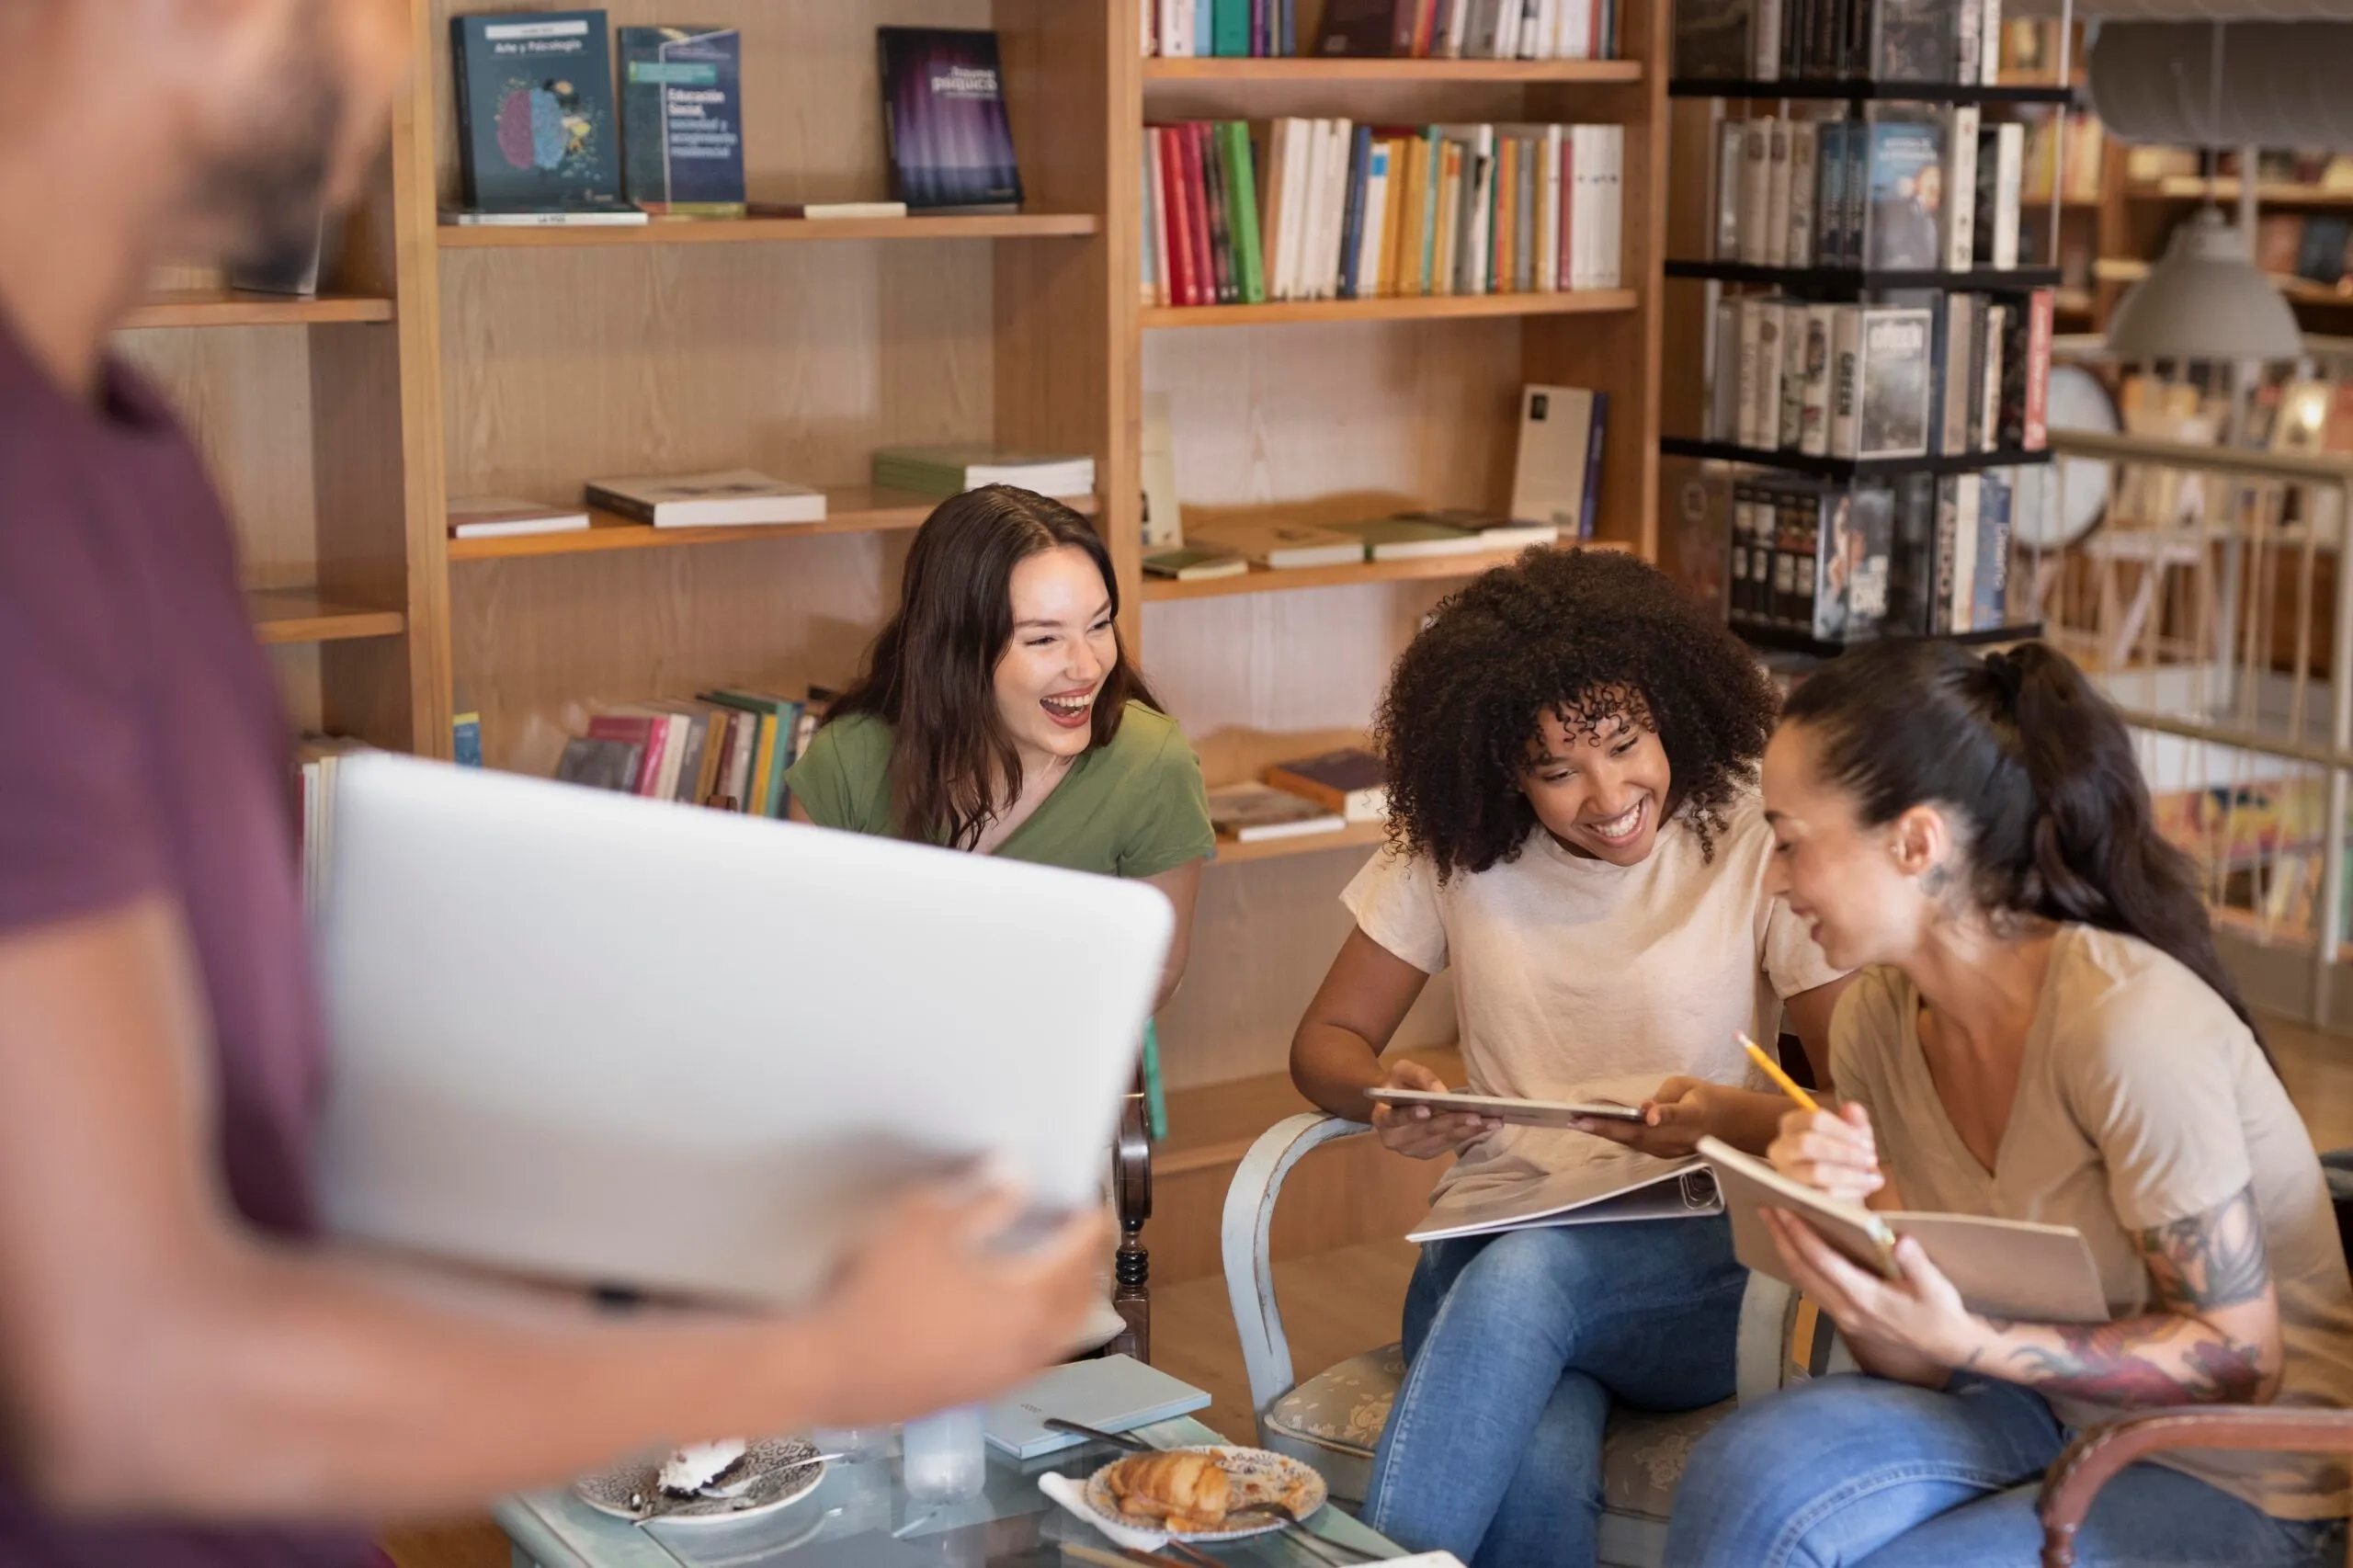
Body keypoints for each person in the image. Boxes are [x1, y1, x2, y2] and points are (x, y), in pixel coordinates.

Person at [0, 6, 1107, 1565]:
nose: (392, 61)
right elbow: (122, 1373)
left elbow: (232, 1130)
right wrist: (823, 1355)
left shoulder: (130, 456)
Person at [1668, 639, 2353, 1567]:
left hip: (2230, 1466)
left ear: (1914, 841)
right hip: (2039, 1405)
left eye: (1789, 842)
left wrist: (1968, 1336)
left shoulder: (2125, 1024)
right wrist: (1841, 1229)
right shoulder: (1877, 1014)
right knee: (1742, 1475)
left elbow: (2240, 1357)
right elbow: (1910, 1359)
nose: (1777, 881)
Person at [1288, 550, 1848, 1568]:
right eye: (1557, 770)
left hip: (1694, 1267)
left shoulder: (1751, 838)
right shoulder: (1456, 845)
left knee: (1527, 1278)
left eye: (1626, 743)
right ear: (1503, 768)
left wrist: (1725, 1113)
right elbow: (1323, 1043)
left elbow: (1866, 1084)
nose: (1607, 793)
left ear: (1668, 705)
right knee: (1537, 1451)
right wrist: (1387, 1094)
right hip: (1485, 1244)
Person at [786, 484, 1214, 1013]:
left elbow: (1155, 976)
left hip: (1055, 1070)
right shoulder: (847, 764)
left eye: (1099, 625)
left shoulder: (1151, 765)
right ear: (956, 652)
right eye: (1043, 639)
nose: (1088, 666)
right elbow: (803, 968)